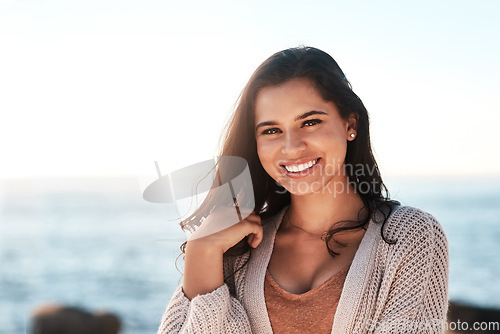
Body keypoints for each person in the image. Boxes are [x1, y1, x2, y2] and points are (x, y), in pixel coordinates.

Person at [157, 46, 449, 333]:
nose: (291, 147)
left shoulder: (410, 238)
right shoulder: (235, 251)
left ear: (350, 123)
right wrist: (200, 251)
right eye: (271, 130)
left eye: (310, 122)